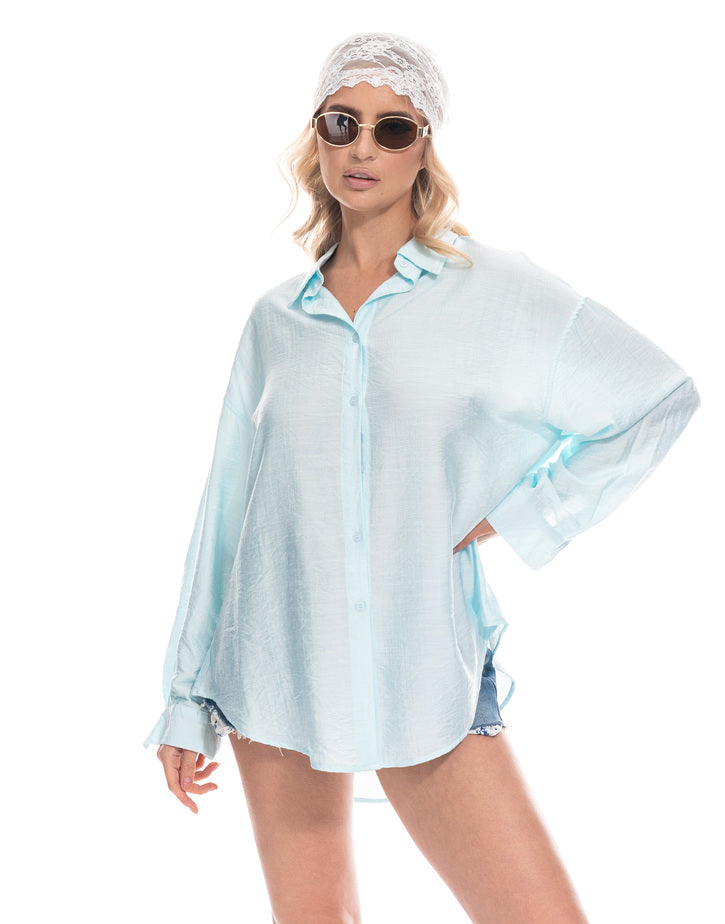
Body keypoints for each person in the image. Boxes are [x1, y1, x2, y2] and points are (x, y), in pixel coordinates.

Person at [144, 32, 700, 924]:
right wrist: (183, 702)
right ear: (317, 137)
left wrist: (522, 514)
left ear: (424, 146)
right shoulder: (275, 322)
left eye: (392, 128)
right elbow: (225, 518)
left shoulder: (496, 292)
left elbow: (655, 397)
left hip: (424, 666)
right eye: (342, 123)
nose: (362, 147)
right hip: (274, 666)